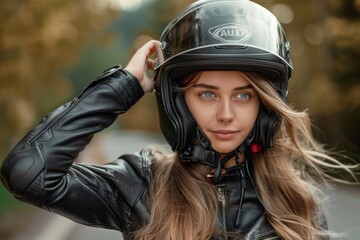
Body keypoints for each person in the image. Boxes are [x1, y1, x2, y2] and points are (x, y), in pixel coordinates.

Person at [0, 0, 357, 239]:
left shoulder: (298, 201)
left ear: (267, 103)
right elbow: (29, 172)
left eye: (244, 95)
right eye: (206, 94)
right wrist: (124, 86)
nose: (227, 114)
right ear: (179, 101)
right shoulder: (142, 186)